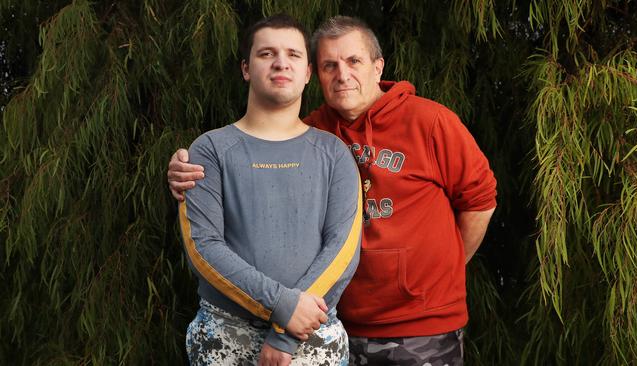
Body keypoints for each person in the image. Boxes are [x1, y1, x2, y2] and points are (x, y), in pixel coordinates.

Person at [171, 15, 496, 366]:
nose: (342, 74)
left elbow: (479, 201)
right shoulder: (312, 134)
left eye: (354, 61)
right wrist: (181, 172)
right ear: (316, 74)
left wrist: (442, 271)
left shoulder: (430, 122)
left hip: (418, 326)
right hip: (327, 319)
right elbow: (258, 147)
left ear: (377, 66)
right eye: (330, 65)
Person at [178, 14, 362, 366]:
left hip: (312, 339)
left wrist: (286, 332)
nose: (281, 62)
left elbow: (343, 250)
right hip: (224, 334)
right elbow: (203, 247)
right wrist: (282, 306)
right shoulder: (209, 149)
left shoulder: (334, 153)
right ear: (246, 68)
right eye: (267, 54)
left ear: (308, 73)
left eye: (294, 54)